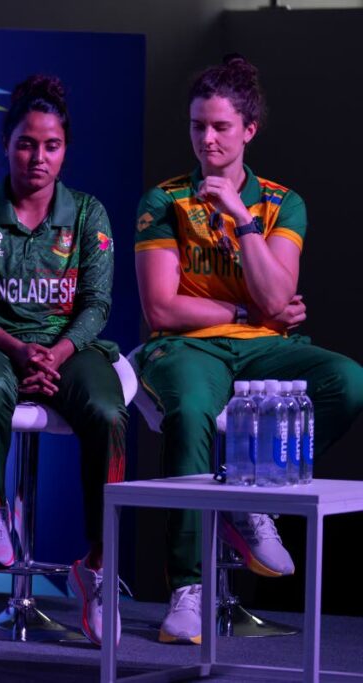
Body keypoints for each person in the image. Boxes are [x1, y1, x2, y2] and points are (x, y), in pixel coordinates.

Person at [134, 54, 363, 644]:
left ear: (249, 129)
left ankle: (245, 487)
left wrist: (242, 221)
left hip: (265, 349)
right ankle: (188, 588)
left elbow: (278, 293)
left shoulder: (283, 202)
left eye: (220, 127)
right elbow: (162, 307)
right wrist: (243, 310)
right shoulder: (163, 201)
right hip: (188, 349)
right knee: (188, 414)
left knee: (348, 382)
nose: (206, 140)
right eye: (196, 127)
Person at [0, 75, 127, 647]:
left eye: (51, 145)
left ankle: (98, 563)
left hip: (69, 347)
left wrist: (59, 350)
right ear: (6, 143)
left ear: (65, 148)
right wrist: (20, 350)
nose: (38, 156)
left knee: (106, 409)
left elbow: (97, 304)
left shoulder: (88, 214)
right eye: (26, 143)